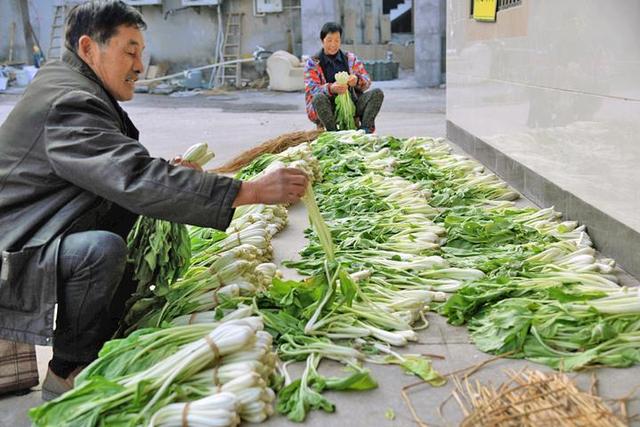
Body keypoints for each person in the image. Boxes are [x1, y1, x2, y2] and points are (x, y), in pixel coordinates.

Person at [0, 0, 308, 400]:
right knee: (101, 249)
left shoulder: (70, 83)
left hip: (35, 227)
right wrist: (248, 191)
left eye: (141, 52)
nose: (140, 65)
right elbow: (132, 178)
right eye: (130, 51)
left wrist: (171, 173)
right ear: (89, 48)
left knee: (133, 213)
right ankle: (67, 371)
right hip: (14, 246)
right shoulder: (69, 102)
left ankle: (103, 334)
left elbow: (114, 164)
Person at [304, 22, 384, 133]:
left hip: (352, 105)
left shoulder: (350, 58)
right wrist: (331, 88)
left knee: (377, 93)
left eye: (337, 40)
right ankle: (333, 133)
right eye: (329, 40)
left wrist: (356, 80)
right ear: (322, 41)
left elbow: (367, 81)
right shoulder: (313, 62)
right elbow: (311, 90)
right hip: (328, 108)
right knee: (318, 98)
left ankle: (365, 130)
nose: (333, 44)